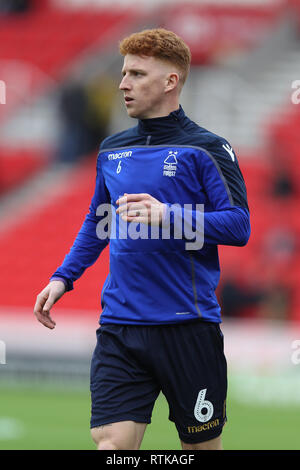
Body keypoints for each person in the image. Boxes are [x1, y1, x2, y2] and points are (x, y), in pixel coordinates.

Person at [34, 29, 250, 451]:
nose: (122, 84)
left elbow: (239, 226)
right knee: (112, 446)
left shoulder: (207, 149)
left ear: (170, 82)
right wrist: (63, 277)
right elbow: (99, 222)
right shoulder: (112, 150)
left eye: (136, 73)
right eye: (123, 73)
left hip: (187, 326)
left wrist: (167, 214)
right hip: (120, 327)